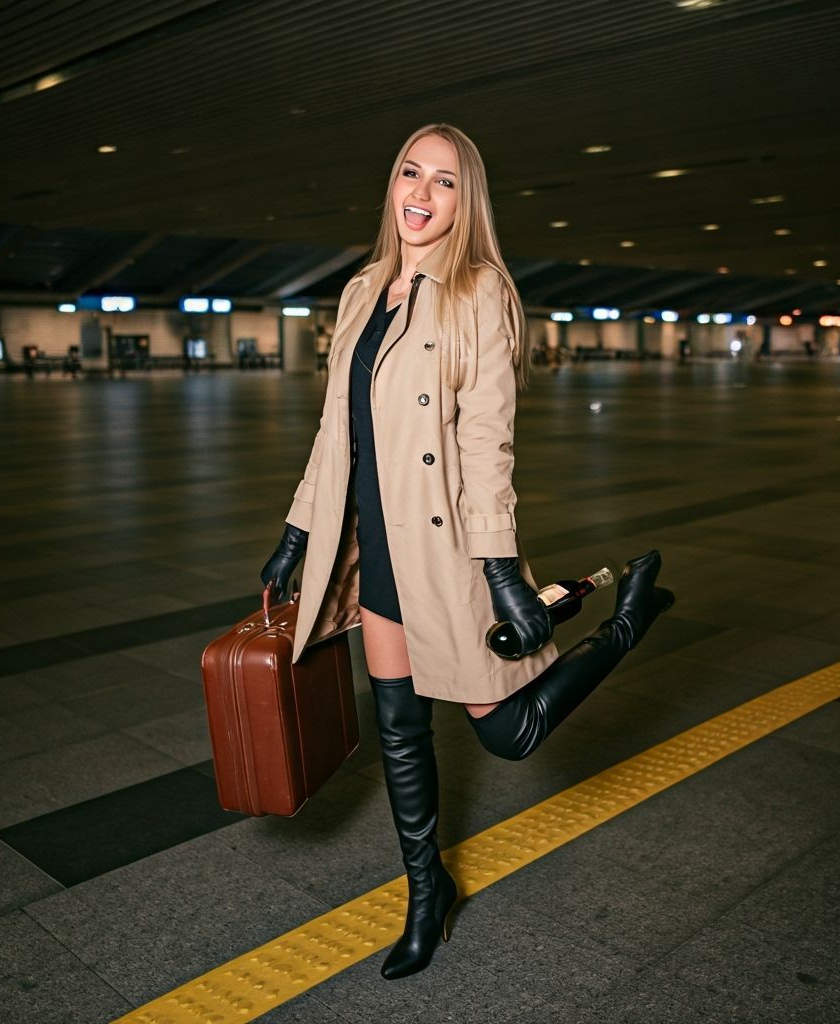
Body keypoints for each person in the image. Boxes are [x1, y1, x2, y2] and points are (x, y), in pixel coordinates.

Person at [260, 124, 674, 981]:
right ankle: (426, 894)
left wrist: (498, 567)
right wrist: (298, 531)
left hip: (445, 548)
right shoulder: (359, 290)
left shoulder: (479, 290)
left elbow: (488, 440)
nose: (421, 192)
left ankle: (626, 621)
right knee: (401, 734)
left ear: (465, 200)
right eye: (410, 172)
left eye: (443, 181)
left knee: (512, 732)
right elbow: (335, 428)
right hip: (370, 552)